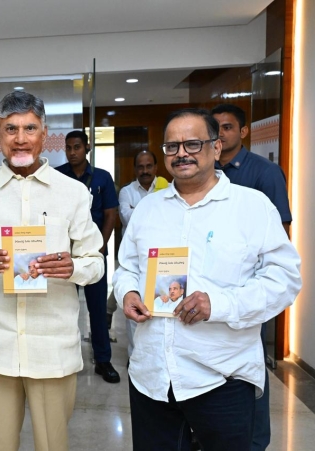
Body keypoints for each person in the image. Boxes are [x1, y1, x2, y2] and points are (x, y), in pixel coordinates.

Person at [113, 108, 301, 451]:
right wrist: (128, 292)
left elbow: (284, 279)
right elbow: (126, 267)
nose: (181, 153)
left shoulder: (252, 207)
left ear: (216, 148)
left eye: (193, 144)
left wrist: (219, 304)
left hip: (221, 376)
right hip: (153, 376)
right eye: (172, 147)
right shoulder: (148, 210)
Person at [0, 91, 104, 451]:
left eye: (30, 128)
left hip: (51, 345)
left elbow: (95, 263)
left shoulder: (73, 194)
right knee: (0, 445)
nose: (20, 138)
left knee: (52, 444)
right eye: (11, 129)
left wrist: (71, 268)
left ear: (45, 134)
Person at [212, 103, 292, 450]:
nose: (220, 134)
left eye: (227, 127)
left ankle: (254, 440)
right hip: (210, 287)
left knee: (248, 362)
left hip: (247, 288)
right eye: (214, 128)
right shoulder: (205, 170)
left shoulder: (264, 172)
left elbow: (280, 234)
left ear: (243, 131)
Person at [55, 130, 120, 383]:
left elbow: (110, 214)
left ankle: (103, 361)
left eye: (77, 147)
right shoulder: (58, 176)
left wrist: (99, 247)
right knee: (63, 309)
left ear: (87, 148)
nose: (72, 152)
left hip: (92, 256)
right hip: (65, 257)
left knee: (97, 309)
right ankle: (63, 359)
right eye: (69, 148)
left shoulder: (102, 177)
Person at [118, 150, 169, 356]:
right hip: (135, 258)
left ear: (156, 168)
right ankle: (134, 356)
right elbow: (127, 218)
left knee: (160, 307)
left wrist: (138, 210)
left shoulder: (168, 188)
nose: (145, 170)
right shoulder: (126, 191)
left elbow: (169, 220)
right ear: (135, 169)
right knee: (135, 306)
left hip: (163, 260)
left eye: (149, 166)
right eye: (141, 166)